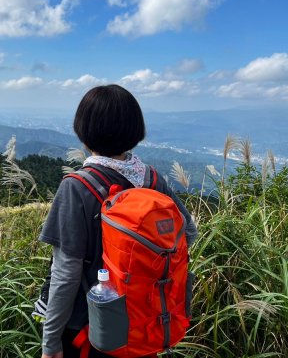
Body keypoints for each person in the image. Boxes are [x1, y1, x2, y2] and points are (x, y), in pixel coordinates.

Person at [39, 84, 198, 358]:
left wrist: (50, 342)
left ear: (84, 131)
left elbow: (65, 274)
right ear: (135, 131)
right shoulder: (153, 180)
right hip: (144, 327)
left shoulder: (77, 187)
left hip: (93, 333)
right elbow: (188, 234)